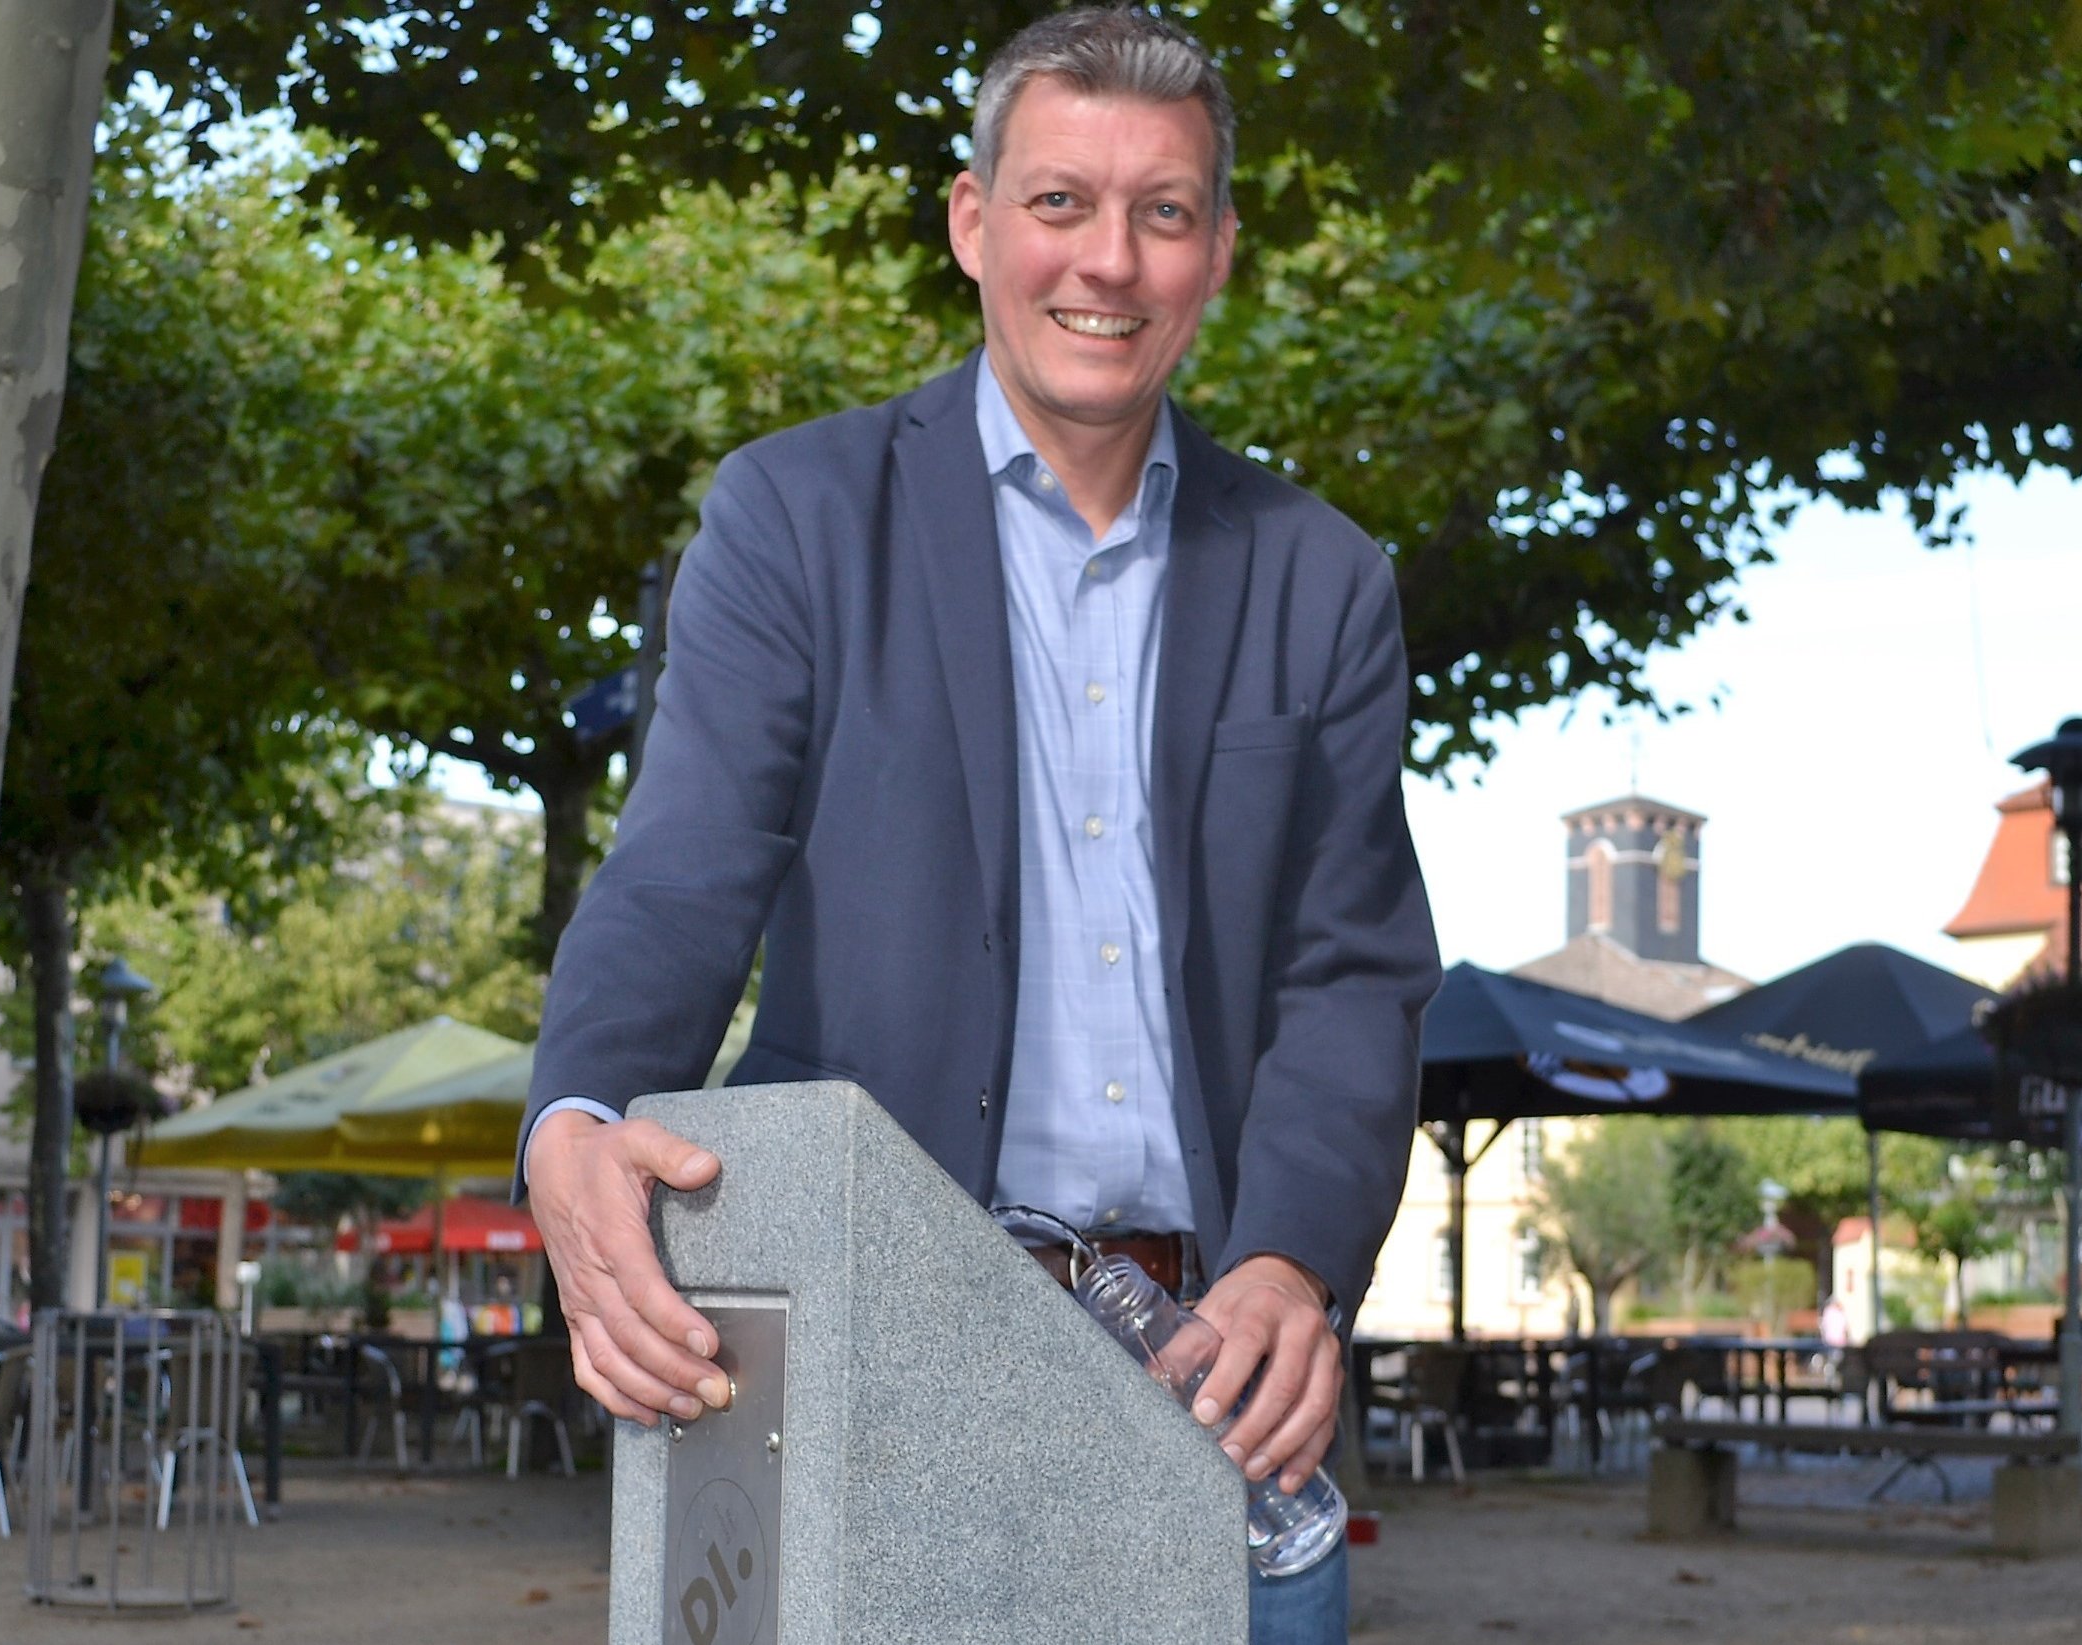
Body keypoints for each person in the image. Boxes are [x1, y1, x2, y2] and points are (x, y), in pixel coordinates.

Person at [513, 10, 1441, 1640]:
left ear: (1219, 251)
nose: (1111, 260)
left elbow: (1352, 974)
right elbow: (682, 865)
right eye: (1060, 202)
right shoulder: (792, 517)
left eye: (1164, 212)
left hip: (1210, 1368)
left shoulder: (1325, 579)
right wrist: (573, 1110)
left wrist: (1291, 1262)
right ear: (972, 222)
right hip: (863, 1336)